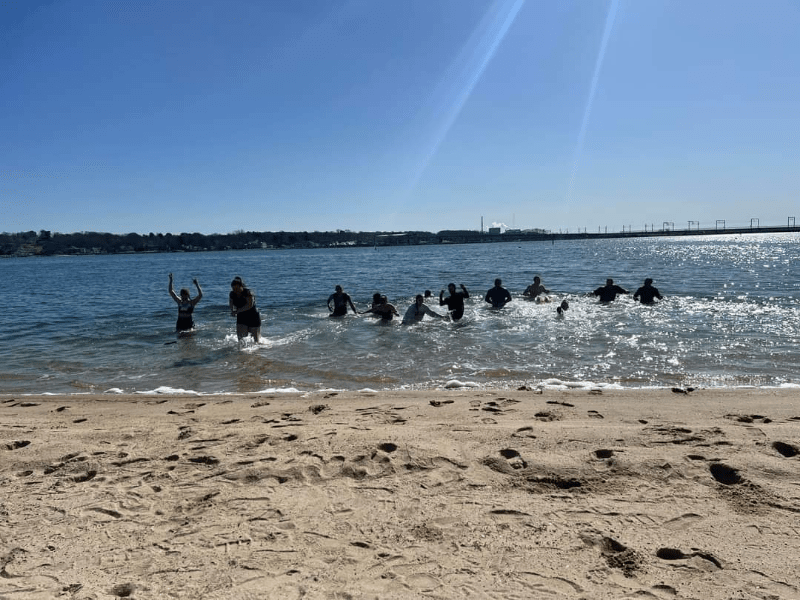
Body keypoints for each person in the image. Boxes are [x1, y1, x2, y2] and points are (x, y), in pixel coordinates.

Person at [229, 276, 261, 342]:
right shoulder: (232, 294)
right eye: (234, 289)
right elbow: (231, 303)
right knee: (241, 340)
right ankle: (241, 352)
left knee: (256, 340)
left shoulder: (248, 293)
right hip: (241, 316)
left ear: (242, 286)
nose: (236, 291)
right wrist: (232, 311)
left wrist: (237, 311)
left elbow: (249, 305)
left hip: (253, 316)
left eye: (237, 288)